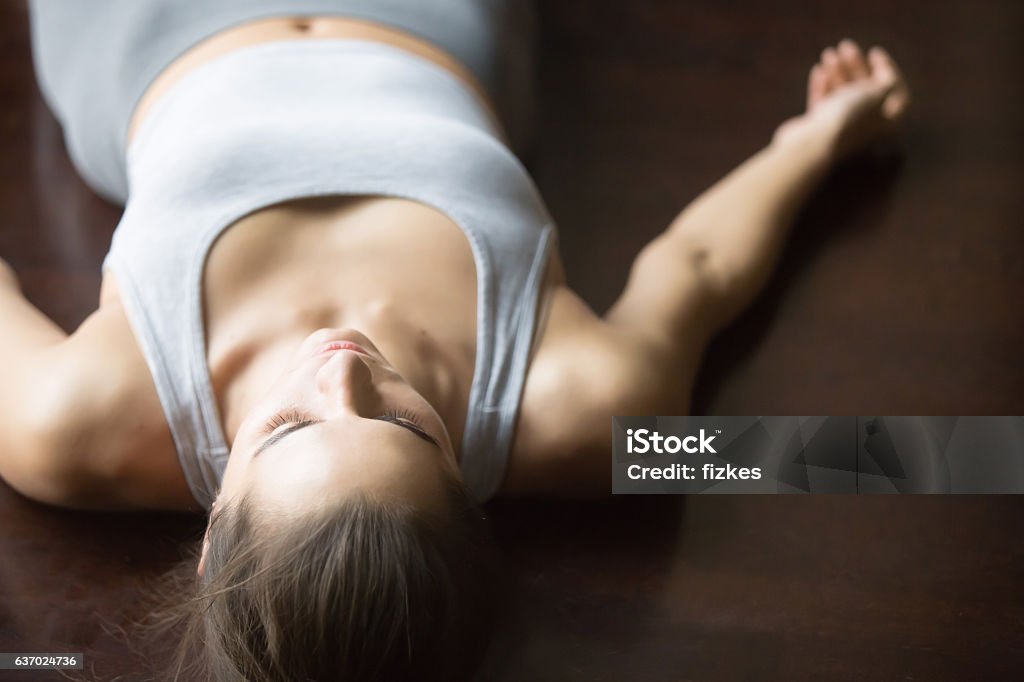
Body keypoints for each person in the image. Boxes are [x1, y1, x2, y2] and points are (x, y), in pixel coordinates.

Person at [0, 1, 910, 680]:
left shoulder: (76, 423)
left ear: (210, 535)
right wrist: (817, 141)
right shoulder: (578, 409)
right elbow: (709, 282)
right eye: (406, 428)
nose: (343, 370)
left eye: (285, 431)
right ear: (472, 500)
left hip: (145, 29)